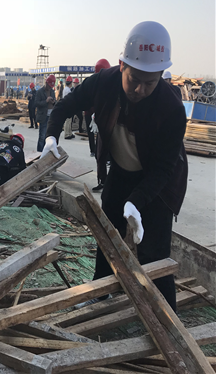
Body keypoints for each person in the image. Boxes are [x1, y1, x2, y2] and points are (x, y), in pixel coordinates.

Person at [42, 21, 188, 311]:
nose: (140, 89)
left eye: (150, 82)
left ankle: (167, 316)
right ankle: (101, 290)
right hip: (122, 171)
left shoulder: (171, 109)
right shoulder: (103, 83)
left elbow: (163, 169)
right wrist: (50, 136)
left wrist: (137, 201)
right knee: (107, 233)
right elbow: (64, 106)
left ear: (161, 75)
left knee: (154, 253)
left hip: (158, 184)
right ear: (122, 65)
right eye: (134, 79)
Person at [86, 59, 112, 190]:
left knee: (107, 156)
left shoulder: (112, 87)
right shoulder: (99, 86)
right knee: (100, 155)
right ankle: (103, 181)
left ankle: (108, 183)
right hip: (104, 126)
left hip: (111, 127)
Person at [35, 75, 56, 151]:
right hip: (43, 116)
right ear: (46, 83)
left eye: (51, 86)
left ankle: (45, 151)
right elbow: (36, 103)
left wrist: (53, 102)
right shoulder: (40, 92)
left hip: (51, 116)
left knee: (48, 136)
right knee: (42, 136)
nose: (50, 88)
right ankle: (39, 152)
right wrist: (46, 101)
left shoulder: (52, 91)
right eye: (49, 86)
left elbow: (55, 102)